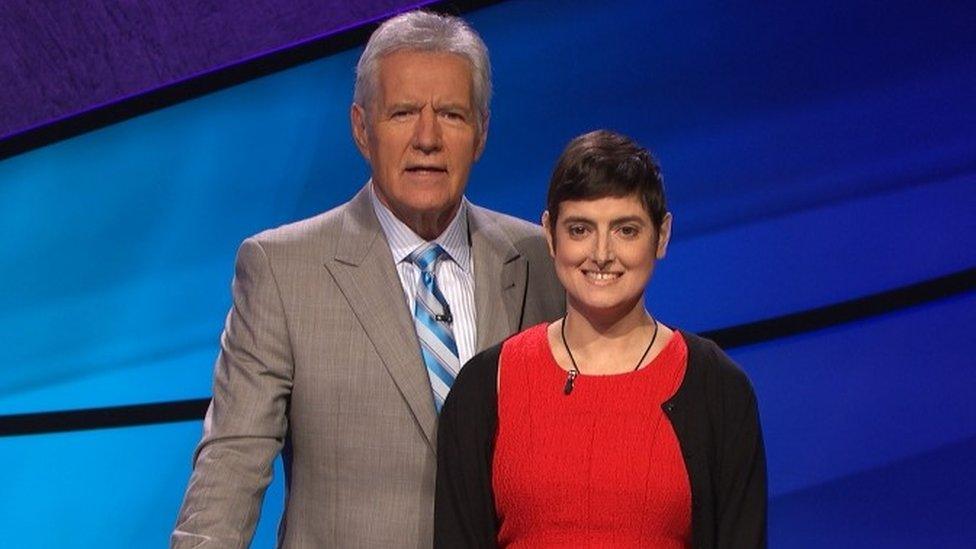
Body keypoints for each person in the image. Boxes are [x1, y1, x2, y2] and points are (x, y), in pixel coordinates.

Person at [171, 11, 564, 548]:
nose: (427, 138)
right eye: (403, 113)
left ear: (481, 132)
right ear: (361, 128)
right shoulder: (283, 269)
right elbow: (231, 464)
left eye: (450, 114)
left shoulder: (538, 258)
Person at [435, 130, 766, 548]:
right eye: (580, 230)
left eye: (626, 230)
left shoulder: (717, 387)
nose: (602, 253)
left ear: (661, 236)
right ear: (550, 234)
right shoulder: (486, 385)